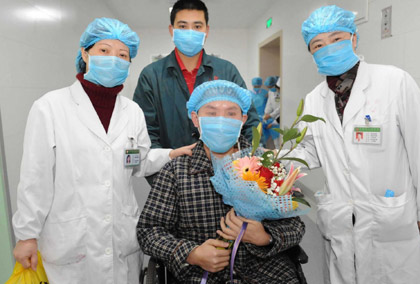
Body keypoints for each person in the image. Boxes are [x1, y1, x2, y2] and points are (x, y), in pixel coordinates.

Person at [11, 18, 194, 284]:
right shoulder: (50, 107)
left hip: (120, 241)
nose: (114, 59)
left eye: (123, 55)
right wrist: (27, 235)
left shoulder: (132, 111)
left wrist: (169, 155)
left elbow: (137, 162)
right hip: (70, 244)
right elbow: (34, 177)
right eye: (104, 50)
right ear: (85, 53)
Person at [283, 5, 420, 284]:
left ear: (354, 38)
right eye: (317, 44)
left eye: (336, 39)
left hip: (390, 219)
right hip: (341, 219)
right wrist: (273, 162)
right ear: (311, 53)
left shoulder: (394, 82)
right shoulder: (314, 99)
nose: (327, 48)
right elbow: (310, 150)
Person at [137, 80, 306, 283]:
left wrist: (266, 237)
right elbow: (149, 231)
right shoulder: (177, 171)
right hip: (200, 274)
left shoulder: (264, 163)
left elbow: (295, 226)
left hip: (267, 273)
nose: (221, 120)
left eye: (231, 113)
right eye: (211, 113)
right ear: (196, 119)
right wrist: (191, 253)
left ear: (243, 119)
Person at [133, 0, 259, 155]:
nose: (190, 32)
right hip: (170, 171)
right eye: (183, 26)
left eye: (197, 26)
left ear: (207, 30)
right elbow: (145, 131)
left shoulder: (227, 71)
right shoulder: (152, 75)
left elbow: (249, 123)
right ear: (172, 30)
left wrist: (243, 166)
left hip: (226, 169)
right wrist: (165, 170)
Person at [263, 76, 281, 148]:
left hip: (280, 117)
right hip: (273, 118)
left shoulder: (281, 92)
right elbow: (269, 104)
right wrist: (266, 113)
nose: (270, 88)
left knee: (279, 141)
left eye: (270, 86)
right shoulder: (271, 92)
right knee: (275, 142)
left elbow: (281, 107)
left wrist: (271, 115)